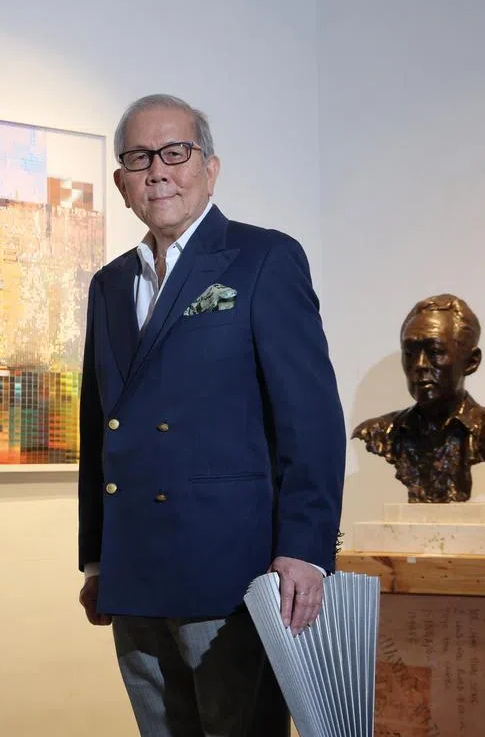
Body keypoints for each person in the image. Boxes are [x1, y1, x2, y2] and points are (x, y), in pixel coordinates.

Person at [77, 94, 346, 736]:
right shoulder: (110, 284)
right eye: (140, 158)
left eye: (176, 153)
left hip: (232, 570)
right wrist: (95, 559)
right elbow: (99, 430)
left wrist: (307, 550)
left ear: (210, 168)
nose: (158, 170)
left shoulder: (262, 259)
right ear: (121, 183)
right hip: (135, 568)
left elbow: (311, 418)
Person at [352, 294, 485, 502]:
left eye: (435, 351)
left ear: (471, 362)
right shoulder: (379, 432)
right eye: (410, 353)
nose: (420, 365)